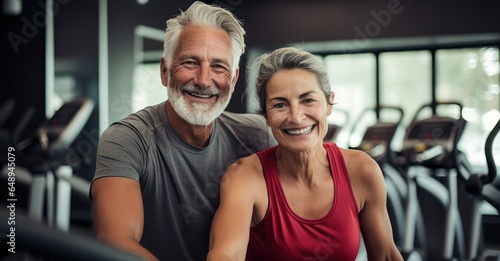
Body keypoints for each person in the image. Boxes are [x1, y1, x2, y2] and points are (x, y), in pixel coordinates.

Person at [90, 2, 276, 261]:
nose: (202, 79)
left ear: (233, 80)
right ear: (165, 71)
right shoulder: (127, 139)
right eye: (190, 62)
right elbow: (115, 240)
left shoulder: (259, 135)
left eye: (218, 67)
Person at [207, 47, 404, 261]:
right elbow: (226, 254)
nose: (296, 117)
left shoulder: (362, 170)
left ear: (329, 104)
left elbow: (385, 255)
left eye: (308, 100)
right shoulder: (244, 177)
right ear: (265, 115)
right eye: (280, 105)